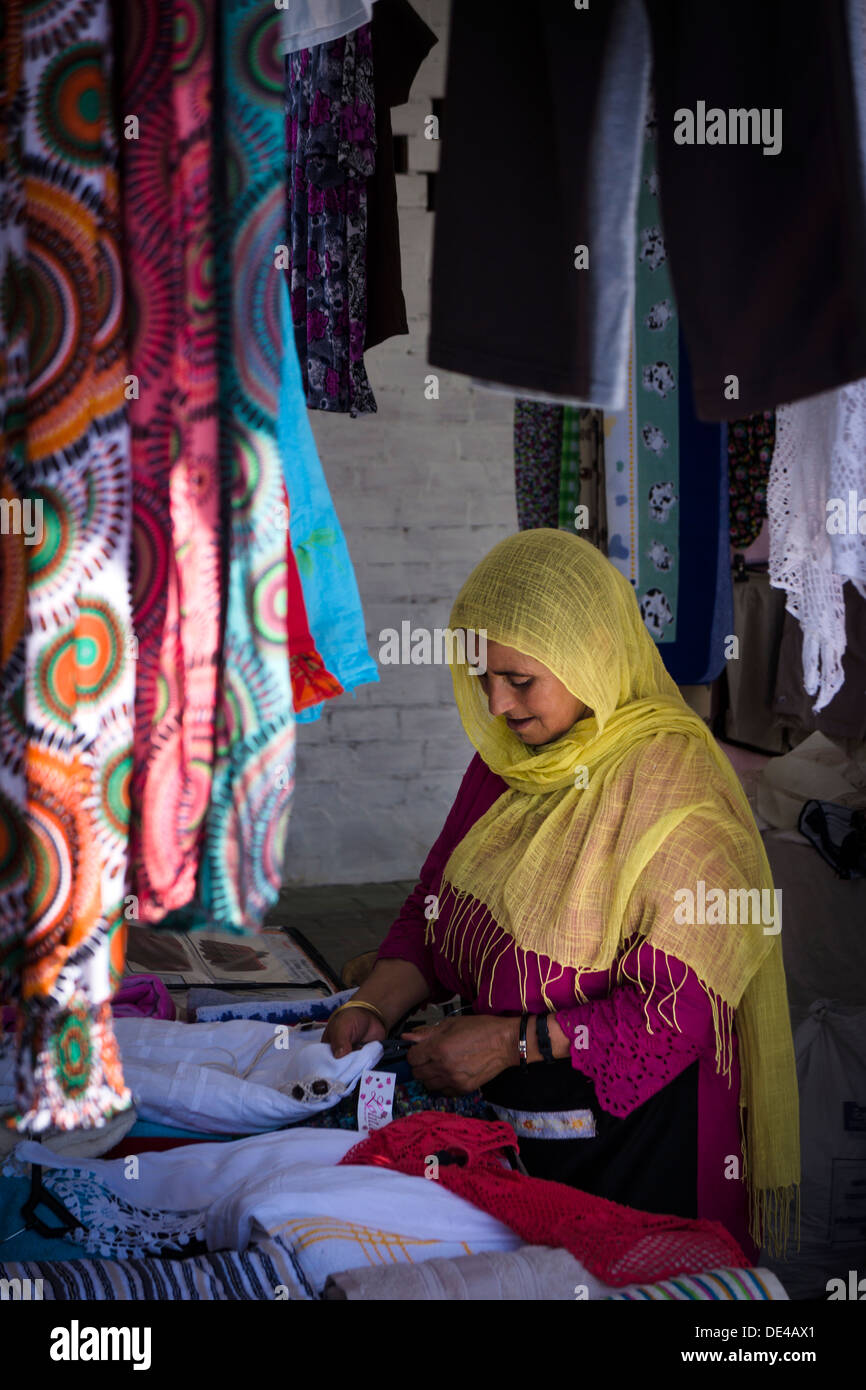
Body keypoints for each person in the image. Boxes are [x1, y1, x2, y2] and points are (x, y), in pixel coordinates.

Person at [323, 529, 799, 1257]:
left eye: (520, 680)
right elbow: (435, 901)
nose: (499, 703)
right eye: (483, 677)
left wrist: (514, 1042)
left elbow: (683, 1010)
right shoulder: (509, 763)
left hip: (646, 1146)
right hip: (531, 1131)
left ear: (591, 658)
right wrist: (374, 1002)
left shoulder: (674, 789)